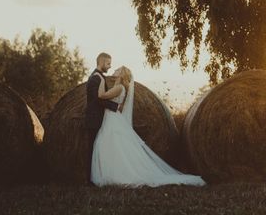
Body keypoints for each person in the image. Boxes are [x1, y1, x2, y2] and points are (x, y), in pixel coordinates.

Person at [90, 65, 205, 187]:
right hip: (112, 117)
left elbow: (101, 96)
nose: (114, 70)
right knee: (112, 145)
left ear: (121, 74)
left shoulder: (118, 87)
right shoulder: (119, 87)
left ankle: (117, 174)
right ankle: (113, 173)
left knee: (111, 145)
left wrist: (101, 80)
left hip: (112, 119)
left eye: (117, 70)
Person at [85, 52, 120, 184]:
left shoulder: (98, 77)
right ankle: (90, 180)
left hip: (96, 117)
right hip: (94, 118)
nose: (110, 66)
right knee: (92, 149)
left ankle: (95, 177)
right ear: (101, 62)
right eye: (108, 63)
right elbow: (97, 100)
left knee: (96, 148)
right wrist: (116, 106)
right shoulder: (96, 77)